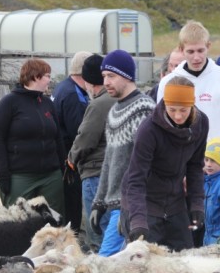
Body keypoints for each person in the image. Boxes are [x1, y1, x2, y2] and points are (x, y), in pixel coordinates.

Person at [120, 76, 208, 251]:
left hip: (174, 200)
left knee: (185, 256)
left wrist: (197, 203)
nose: (177, 115)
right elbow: (136, 179)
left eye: (183, 110)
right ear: (164, 103)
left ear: (193, 104)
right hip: (145, 200)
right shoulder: (148, 130)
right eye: (172, 109)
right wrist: (137, 220)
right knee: (144, 261)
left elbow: (195, 167)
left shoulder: (201, 124)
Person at [157, 20, 220, 177]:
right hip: (181, 172)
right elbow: (163, 127)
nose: (196, 57)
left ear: (208, 46)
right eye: (190, 52)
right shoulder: (167, 83)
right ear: (181, 49)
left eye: (200, 50)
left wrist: (215, 160)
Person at [90, 49, 155, 256]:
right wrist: (98, 203)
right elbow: (109, 160)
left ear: (127, 76)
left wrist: (130, 208)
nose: (106, 82)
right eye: (104, 77)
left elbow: (146, 162)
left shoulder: (143, 109)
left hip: (131, 205)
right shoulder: (115, 111)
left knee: (105, 262)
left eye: (111, 76)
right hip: (114, 205)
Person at [0, 58, 65, 215]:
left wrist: (62, 168)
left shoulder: (47, 103)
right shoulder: (9, 103)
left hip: (51, 176)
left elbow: (57, 137)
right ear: (36, 77)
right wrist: (3, 176)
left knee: (54, 222)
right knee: (18, 220)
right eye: (47, 76)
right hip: (21, 176)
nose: (50, 81)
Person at [67, 54, 116, 252]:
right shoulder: (120, 99)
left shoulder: (99, 104)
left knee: (97, 230)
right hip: (115, 173)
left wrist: (71, 159)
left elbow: (86, 138)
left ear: (89, 81)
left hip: (95, 172)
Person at [51, 51, 91, 233]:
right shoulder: (73, 95)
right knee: (72, 200)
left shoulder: (63, 87)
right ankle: (73, 234)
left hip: (62, 155)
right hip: (70, 158)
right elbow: (79, 130)